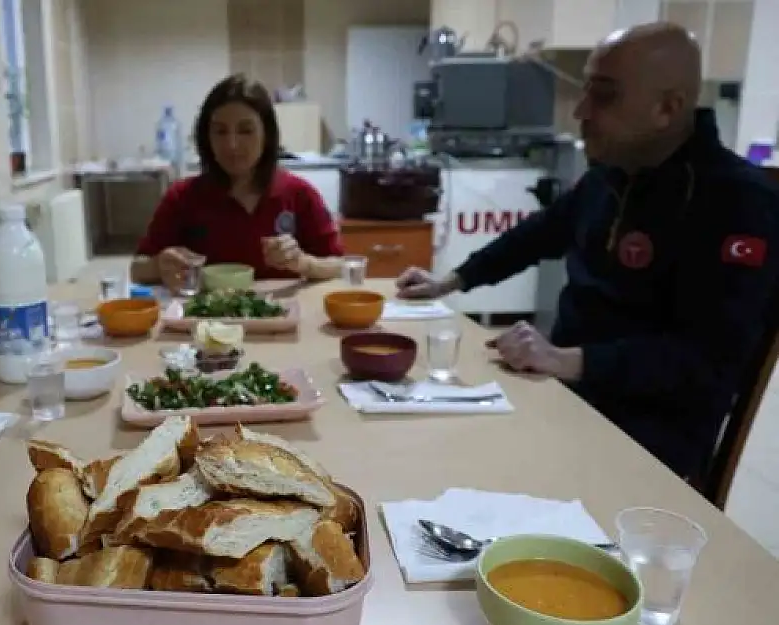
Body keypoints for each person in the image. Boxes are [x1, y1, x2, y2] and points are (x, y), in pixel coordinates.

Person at [396, 23, 779, 481]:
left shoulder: (737, 201)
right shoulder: (614, 174)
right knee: (419, 445)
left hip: (647, 448)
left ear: (668, 108)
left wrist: (564, 359)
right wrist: (452, 281)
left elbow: (704, 362)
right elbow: (539, 234)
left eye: (604, 96)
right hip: (564, 401)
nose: (580, 111)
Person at [130, 74, 344, 291]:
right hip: (208, 319)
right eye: (220, 131)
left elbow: (337, 264)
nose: (232, 145)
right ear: (206, 137)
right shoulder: (182, 196)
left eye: (246, 131)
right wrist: (159, 265)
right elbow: (137, 268)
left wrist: (303, 262)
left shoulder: (299, 194)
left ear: (267, 135)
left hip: (283, 315)